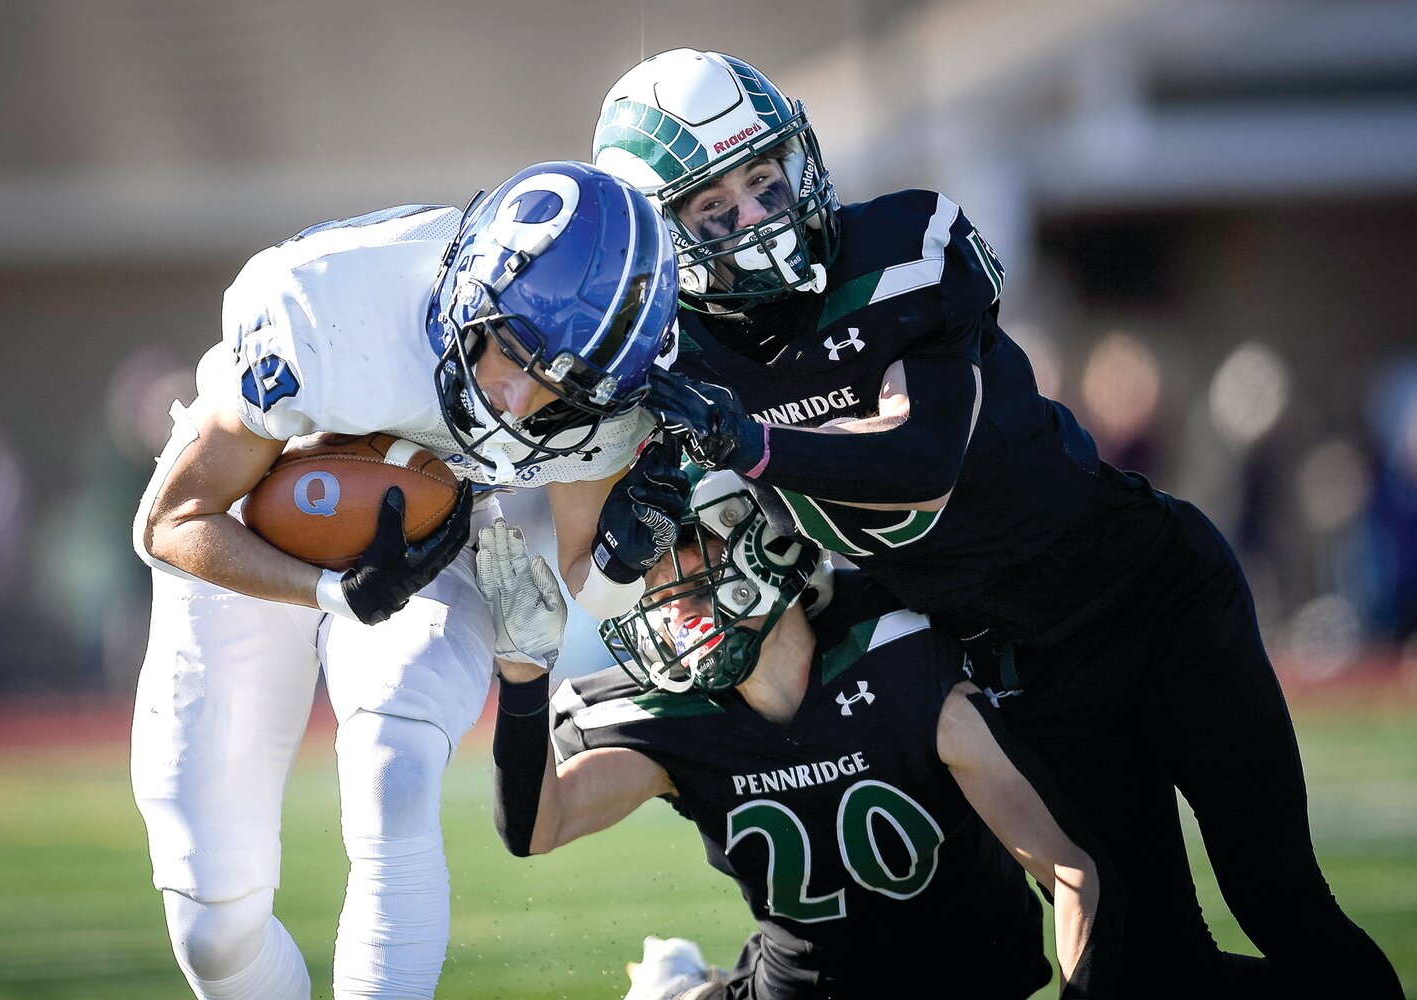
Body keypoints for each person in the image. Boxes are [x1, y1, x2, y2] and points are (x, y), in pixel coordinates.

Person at [589, 49, 1402, 996]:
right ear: (663, 235)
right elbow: (629, 530)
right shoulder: (682, 356)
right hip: (1028, 671)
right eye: (714, 209)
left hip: (1153, 602)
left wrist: (748, 441)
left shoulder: (900, 249)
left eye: (764, 181)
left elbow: (923, 462)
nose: (757, 219)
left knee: (1280, 899)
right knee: (1141, 975)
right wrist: (640, 502)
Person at [129, 159, 689, 1000]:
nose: (510, 393)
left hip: (437, 533)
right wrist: (333, 594)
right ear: (471, 286)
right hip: (255, 506)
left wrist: (609, 573)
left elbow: (583, 564)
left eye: (556, 381)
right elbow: (170, 523)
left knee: (395, 770)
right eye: (508, 347)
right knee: (214, 928)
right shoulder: (324, 310)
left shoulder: (616, 401)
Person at [476, 473, 1123, 998]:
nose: (664, 590)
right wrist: (524, 679)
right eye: (647, 573)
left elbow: (1071, 872)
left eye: (687, 551)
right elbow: (537, 826)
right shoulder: (676, 716)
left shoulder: (898, 663)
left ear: (769, 539)